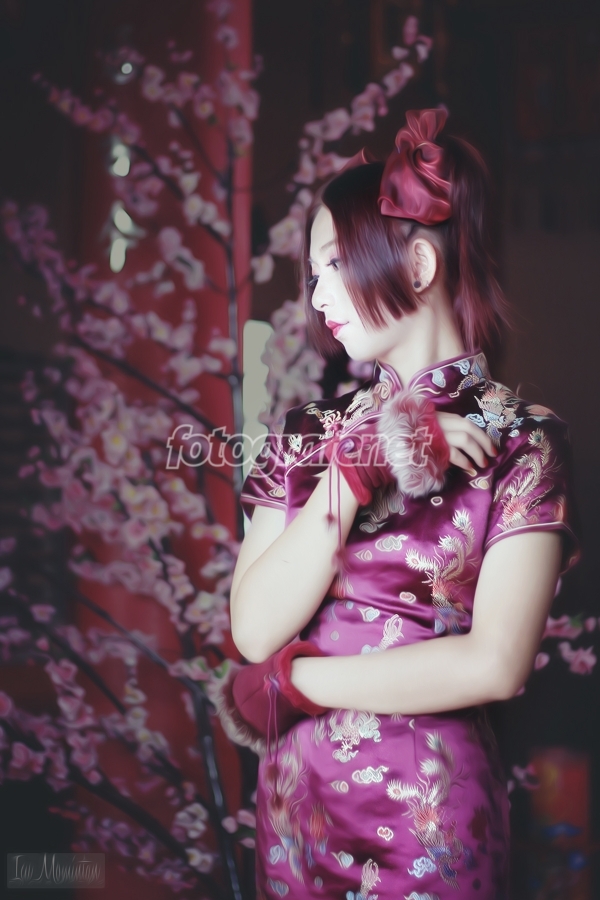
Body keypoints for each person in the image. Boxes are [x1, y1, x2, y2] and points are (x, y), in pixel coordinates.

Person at [226, 109, 579, 900]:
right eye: (311, 274)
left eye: (333, 264)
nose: (316, 293)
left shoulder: (523, 440)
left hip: (428, 823)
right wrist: (357, 468)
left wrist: (298, 686)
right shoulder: (308, 434)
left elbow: (495, 664)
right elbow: (254, 630)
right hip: (293, 816)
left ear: (417, 263)